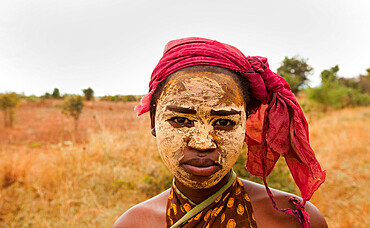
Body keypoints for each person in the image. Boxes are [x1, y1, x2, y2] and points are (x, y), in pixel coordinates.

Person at [113, 37, 327, 228]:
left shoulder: (292, 220)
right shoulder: (133, 224)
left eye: (224, 122)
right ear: (154, 121)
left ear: (245, 123)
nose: (203, 142)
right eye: (180, 120)